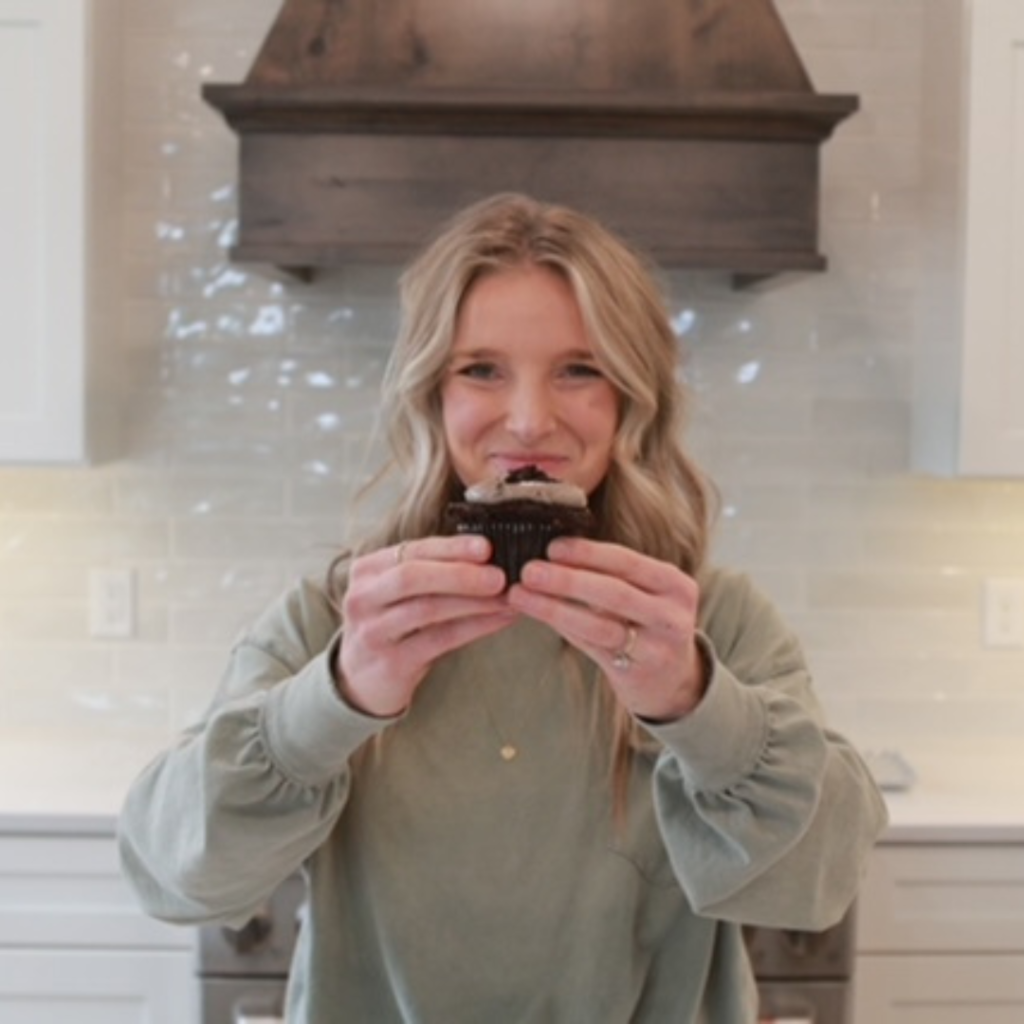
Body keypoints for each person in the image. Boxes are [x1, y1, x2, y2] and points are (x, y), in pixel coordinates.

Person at [118, 192, 888, 1023]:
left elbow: (825, 882)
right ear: (431, 395)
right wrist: (336, 696)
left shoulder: (709, 623)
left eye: (579, 370)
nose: (528, 420)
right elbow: (171, 875)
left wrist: (697, 704)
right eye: (481, 369)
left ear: (633, 397)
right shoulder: (336, 621)